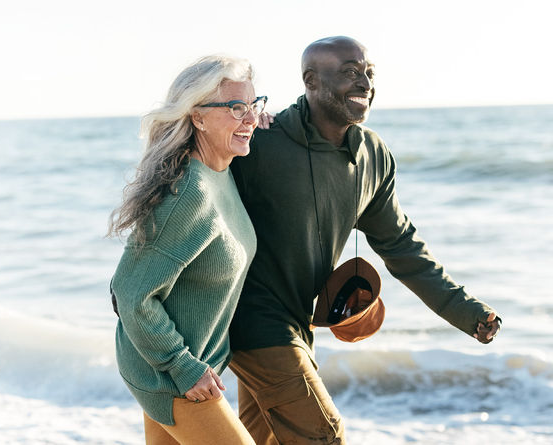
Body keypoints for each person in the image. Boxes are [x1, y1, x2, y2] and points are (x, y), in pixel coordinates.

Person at [226, 36, 503, 444]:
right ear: (311, 81)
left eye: (369, 73)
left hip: (300, 321)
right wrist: (143, 283)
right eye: (350, 73)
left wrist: (465, 310)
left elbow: (401, 246)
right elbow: (191, 195)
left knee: (261, 438)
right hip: (248, 319)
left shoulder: (373, 156)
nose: (364, 83)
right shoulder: (260, 141)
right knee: (324, 434)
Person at [109, 55, 266, 445]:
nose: (248, 118)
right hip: (170, 374)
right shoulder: (187, 193)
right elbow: (130, 293)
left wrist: (252, 118)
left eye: (253, 105)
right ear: (197, 117)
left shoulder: (221, 171)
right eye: (234, 107)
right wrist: (182, 366)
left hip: (187, 369)